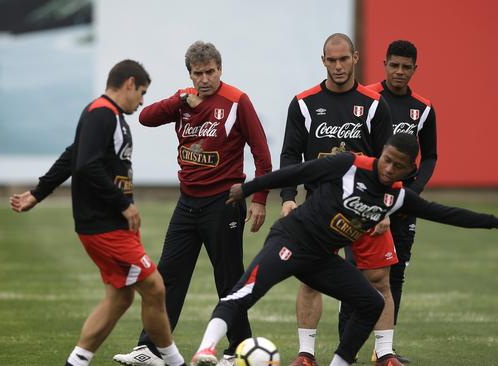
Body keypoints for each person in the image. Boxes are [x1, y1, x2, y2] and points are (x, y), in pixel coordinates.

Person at [190, 133, 498, 366]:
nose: (389, 168)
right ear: (383, 153)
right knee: (245, 292)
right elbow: (296, 174)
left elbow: (447, 214)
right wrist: (247, 188)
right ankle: (206, 350)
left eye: (398, 166)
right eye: (387, 158)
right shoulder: (348, 164)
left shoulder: (399, 197)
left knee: (371, 303)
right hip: (292, 240)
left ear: (408, 171)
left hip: (321, 258)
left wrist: (493, 222)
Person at [9, 60, 187, 366]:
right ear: (129, 83)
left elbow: (72, 155)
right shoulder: (102, 113)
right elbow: (85, 164)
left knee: (120, 297)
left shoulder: (108, 115)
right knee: (155, 287)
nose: (142, 100)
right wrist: (123, 203)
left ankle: (76, 362)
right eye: (142, 92)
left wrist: (38, 193)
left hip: (111, 224)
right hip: (104, 225)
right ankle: (175, 362)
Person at [113, 41, 272, 366]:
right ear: (190, 73)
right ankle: (151, 348)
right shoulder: (183, 100)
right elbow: (145, 117)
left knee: (228, 279)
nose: (204, 79)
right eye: (198, 73)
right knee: (166, 276)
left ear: (220, 69)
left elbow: (261, 153)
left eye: (210, 72)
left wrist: (259, 198)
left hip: (224, 202)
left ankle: (238, 350)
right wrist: (178, 101)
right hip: (187, 204)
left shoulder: (236, 101)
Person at [279, 33, 399, 365]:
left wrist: (385, 207)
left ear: (355, 58)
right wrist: (289, 197)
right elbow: (290, 155)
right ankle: (306, 354)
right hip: (318, 208)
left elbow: (391, 162)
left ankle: (385, 354)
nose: (338, 66)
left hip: (365, 207)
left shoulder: (375, 105)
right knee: (309, 279)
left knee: (378, 280)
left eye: (343, 59)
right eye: (331, 60)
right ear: (323, 61)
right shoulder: (303, 103)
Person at [339, 40, 437, 364]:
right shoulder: (367, 97)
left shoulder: (423, 108)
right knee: (355, 272)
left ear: (414, 70)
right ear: (384, 64)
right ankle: (346, 347)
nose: (399, 72)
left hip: (402, 204)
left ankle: (385, 351)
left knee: (395, 274)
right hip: (366, 201)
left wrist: (412, 193)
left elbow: (430, 155)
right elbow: (359, 150)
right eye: (393, 65)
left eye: (405, 67)